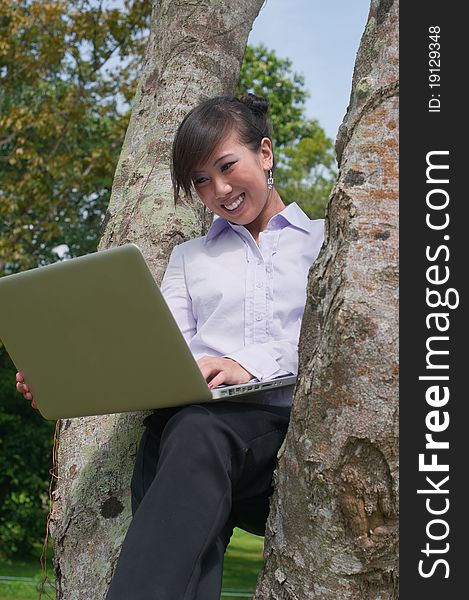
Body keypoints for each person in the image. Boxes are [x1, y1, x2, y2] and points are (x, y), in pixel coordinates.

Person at [16, 93, 324, 600]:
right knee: (179, 431)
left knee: (198, 432)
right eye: (202, 181)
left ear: (264, 154)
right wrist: (61, 377)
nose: (219, 189)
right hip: (192, 437)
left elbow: (334, 350)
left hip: (277, 439)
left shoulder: (325, 241)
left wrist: (245, 365)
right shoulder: (190, 258)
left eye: (227, 167)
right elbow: (160, 353)